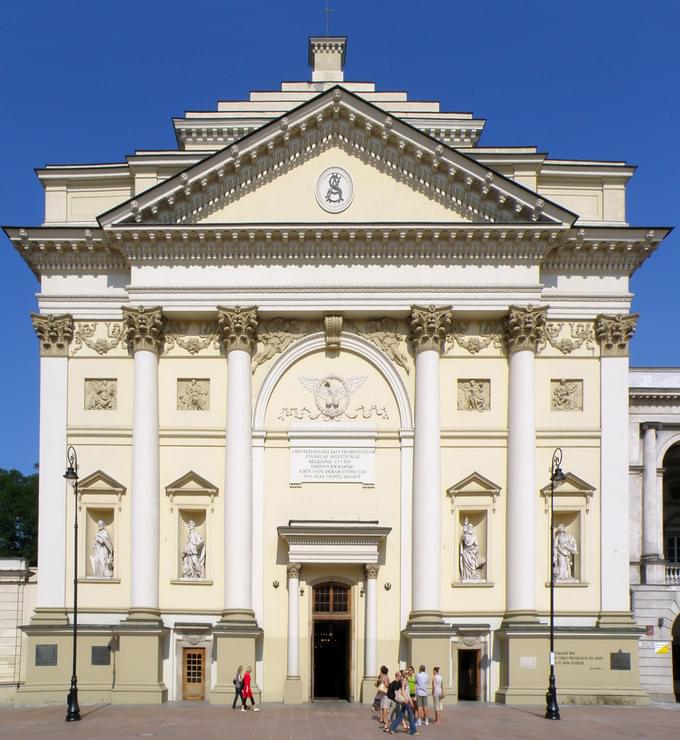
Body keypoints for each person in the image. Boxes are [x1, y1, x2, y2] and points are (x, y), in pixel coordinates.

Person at [385, 671, 418, 735]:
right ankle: (413, 731)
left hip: (405, 700)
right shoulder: (404, 681)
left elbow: (407, 692)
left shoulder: (405, 681)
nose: (408, 674)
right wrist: (406, 700)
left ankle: (392, 729)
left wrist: (410, 701)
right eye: (407, 674)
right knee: (410, 714)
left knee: (400, 716)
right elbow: (402, 691)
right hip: (404, 700)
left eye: (408, 673)